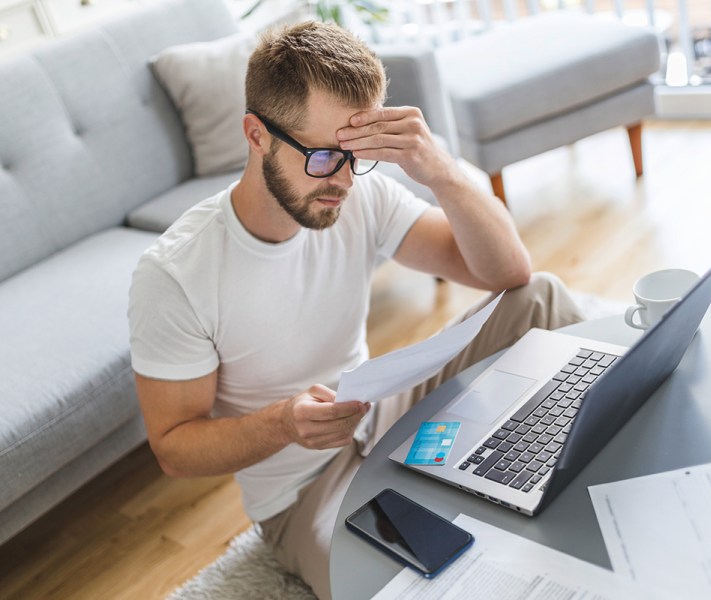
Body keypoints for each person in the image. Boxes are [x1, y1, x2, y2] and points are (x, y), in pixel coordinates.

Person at [128, 21, 583, 600]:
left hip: (383, 412)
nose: (342, 179)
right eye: (322, 157)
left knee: (539, 297)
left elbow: (507, 274)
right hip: (305, 491)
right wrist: (283, 422)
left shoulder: (355, 193)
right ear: (256, 134)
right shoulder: (176, 275)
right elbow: (173, 447)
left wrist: (439, 170)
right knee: (409, 587)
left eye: (355, 156)